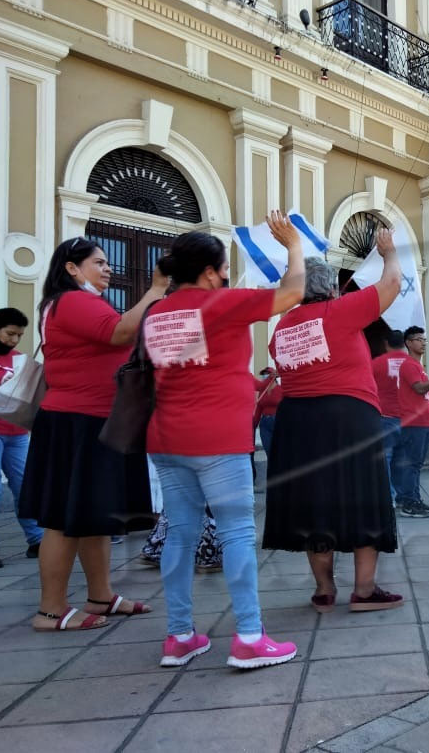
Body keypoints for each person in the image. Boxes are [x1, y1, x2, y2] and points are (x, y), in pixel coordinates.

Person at [145, 213, 303, 669]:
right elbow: (292, 292)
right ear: (211, 271)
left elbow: (188, 361)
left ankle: (179, 636)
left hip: (166, 437)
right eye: (224, 267)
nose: (227, 274)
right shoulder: (219, 303)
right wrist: (293, 245)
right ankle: (250, 637)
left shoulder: (157, 311)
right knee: (236, 532)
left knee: (180, 534)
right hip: (218, 438)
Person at [19, 238, 164, 631]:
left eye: (106, 262)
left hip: (96, 420)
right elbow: (117, 333)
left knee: (93, 516)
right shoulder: (71, 301)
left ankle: (101, 595)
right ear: (71, 267)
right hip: (77, 422)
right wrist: (154, 290)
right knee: (65, 519)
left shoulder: (76, 302)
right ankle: (51, 610)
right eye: (98, 262)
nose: (107, 268)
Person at [263, 246, 404, 615]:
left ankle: (324, 590)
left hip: (296, 422)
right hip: (349, 417)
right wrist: (389, 253)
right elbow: (391, 284)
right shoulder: (340, 310)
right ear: (332, 289)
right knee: (363, 498)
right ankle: (364, 590)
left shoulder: (282, 327)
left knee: (314, 503)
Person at [0, 307, 43, 567]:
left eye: (19, 335)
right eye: (9, 334)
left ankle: (37, 540)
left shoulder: (21, 360)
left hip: (17, 434)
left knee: (25, 486)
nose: (13, 340)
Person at [393, 326, 429, 518]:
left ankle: (414, 499)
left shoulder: (419, 366)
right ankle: (409, 503)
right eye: (418, 339)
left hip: (424, 423)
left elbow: (426, 396)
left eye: (424, 339)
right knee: (412, 464)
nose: (423, 342)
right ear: (408, 343)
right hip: (414, 423)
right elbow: (419, 389)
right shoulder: (408, 365)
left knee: (416, 464)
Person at [371, 329, 408, 503]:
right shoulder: (413, 363)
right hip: (409, 418)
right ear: (405, 344)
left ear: (386, 344)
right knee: (402, 460)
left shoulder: (376, 363)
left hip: (384, 418)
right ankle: (401, 495)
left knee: (385, 459)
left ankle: (389, 496)